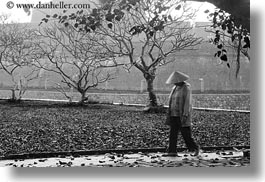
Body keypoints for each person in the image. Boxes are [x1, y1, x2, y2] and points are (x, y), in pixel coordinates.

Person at [163, 71, 200, 157]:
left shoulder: (186, 88)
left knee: (186, 134)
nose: (174, 83)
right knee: (173, 134)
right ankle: (172, 151)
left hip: (181, 114)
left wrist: (185, 114)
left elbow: (188, 102)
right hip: (173, 114)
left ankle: (195, 148)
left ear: (179, 80)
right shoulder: (174, 88)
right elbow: (171, 100)